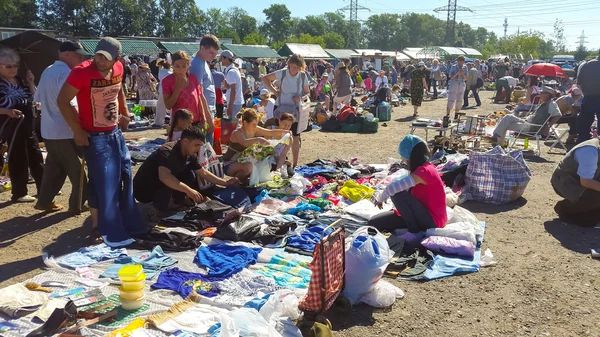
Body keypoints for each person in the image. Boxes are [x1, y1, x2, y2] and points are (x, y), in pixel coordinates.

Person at [57, 37, 146, 246]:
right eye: (98, 55)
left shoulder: (118, 68)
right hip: (94, 136)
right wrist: (77, 130)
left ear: (117, 58)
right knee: (106, 184)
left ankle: (126, 221)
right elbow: (62, 100)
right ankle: (108, 228)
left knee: (125, 176)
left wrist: (124, 112)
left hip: (115, 133)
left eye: (106, 57)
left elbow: (119, 90)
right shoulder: (81, 71)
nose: (100, 60)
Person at [34, 41, 88, 213]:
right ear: (66, 53)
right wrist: (80, 127)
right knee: (77, 172)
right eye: (77, 54)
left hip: (49, 130)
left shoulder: (48, 70)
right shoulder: (67, 73)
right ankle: (77, 204)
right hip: (64, 130)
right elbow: (71, 104)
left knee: (54, 169)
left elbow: (39, 101)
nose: (81, 57)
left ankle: (44, 201)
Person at [133, 126, 239, 212]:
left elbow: (203, 172)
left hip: (161, 185)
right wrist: (189, 191)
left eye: (200, 146)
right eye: (196, 145)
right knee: (181, 179)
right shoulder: (167, 151)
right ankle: (165, 205)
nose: (198, 149)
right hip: (144, 190)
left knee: (190, 175)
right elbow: (164, 177)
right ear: (185, 141)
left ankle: (178, 201)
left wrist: (225, 183)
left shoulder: (190, 154)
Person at [369, 135, 447, 235]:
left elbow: (393, 188)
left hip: (432, 221)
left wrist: (380, 199)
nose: (403, 161)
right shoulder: (421, 169)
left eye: (404, 158)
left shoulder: (425, 171)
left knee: (396, 193)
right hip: (420, 214)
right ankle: (413, 227)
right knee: (373, 223)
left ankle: (414, 231)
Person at [0, 47, 44, 203]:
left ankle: (44, 188)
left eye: (15, 65)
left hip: (27, 122)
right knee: (18, 158)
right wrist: (6, 111)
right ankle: (19, 192)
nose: (13, 69)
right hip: (10, 125)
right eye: (8, 66)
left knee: (36, 155)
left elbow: (35, 97)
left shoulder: (20, 80)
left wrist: (31, 82)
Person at [262, 54, 310, 169]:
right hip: (280, 108)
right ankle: (274, 160)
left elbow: (308, 93)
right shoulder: (282, 72)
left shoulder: (303, 76)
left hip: (295, 110)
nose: (296, 70)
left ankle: (295, 164)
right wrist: (275, 92)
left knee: (295, 136)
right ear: (289, 65)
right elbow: (265, 78)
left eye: (299, 67)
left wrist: (301, 98)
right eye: (294, 67)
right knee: (276, 134)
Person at [222, 109, 291, 185]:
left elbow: (269, 132)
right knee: (250, 167)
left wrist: (285, 132)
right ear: (245, 123)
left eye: (256, 124)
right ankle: (235, 184)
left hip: (243, 161)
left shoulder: (254, 128)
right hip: (230, 163)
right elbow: (245, 142)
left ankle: (244, 183)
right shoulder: (237, 133)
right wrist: (258, 139)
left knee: (263, 164)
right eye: (253, 124)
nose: (255, 126)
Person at [162, 50, 213, 137]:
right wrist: (177, 88)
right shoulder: (167, 81)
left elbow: (200, 100)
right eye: (177, 66)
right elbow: (168, 105)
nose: (180, 69)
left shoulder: (193, 79)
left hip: (196, 122)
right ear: (173, 65)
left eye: (184, 66)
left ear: (188, 65)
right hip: (180, 124)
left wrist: (205, 119)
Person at [551, 138, 600, 226]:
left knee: (592, 219)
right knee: (587, 221)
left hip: (585, 180)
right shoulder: (590, 150)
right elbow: (586, 182)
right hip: (565, 181)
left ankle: (581, 208)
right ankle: (564, 207)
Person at [492, 86, 562, 146]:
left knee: (507, 119)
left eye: (542, 93)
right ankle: (498, 139)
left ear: (547, 95)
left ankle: (496, 138)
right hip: (529, 123)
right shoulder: (545, 103)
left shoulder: (551, 103)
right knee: (507, 119)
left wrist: (548, 126)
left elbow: (558, 115)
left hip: (531, 127)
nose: (540, 94)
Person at [190, 34, 219, 144]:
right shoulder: (197, 64)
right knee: (205, 147)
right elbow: (198, 93)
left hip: (208, 110)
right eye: (211, 53)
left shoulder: (203, 61)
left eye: (215, 54)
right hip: (204, 112)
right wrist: (205, 117)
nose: (213, 56)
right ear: (202, 48)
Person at [575, 55, 600, 144]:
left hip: (588, 97)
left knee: (585, 120)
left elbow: (579, 84)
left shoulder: (586, 65)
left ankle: (582, 141)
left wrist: (585, 92)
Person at [220, 50, 243, 120]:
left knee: (234, 124)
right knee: (234, 124)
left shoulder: (231, 72)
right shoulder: (234, 69)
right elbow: (231, 87)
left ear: (226, 58)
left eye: (221, 58)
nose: (220, 61)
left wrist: (230, 106)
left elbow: (233, 90)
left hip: (234, 103)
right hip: (236, 101)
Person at [153, 59, 172, 127]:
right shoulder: (171, 72)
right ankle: (172, 122)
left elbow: (159, 77)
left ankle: (158, 122)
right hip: (171, 91)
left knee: (160, 106)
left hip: (162, 91)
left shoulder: (161, 72)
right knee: (172, 107)